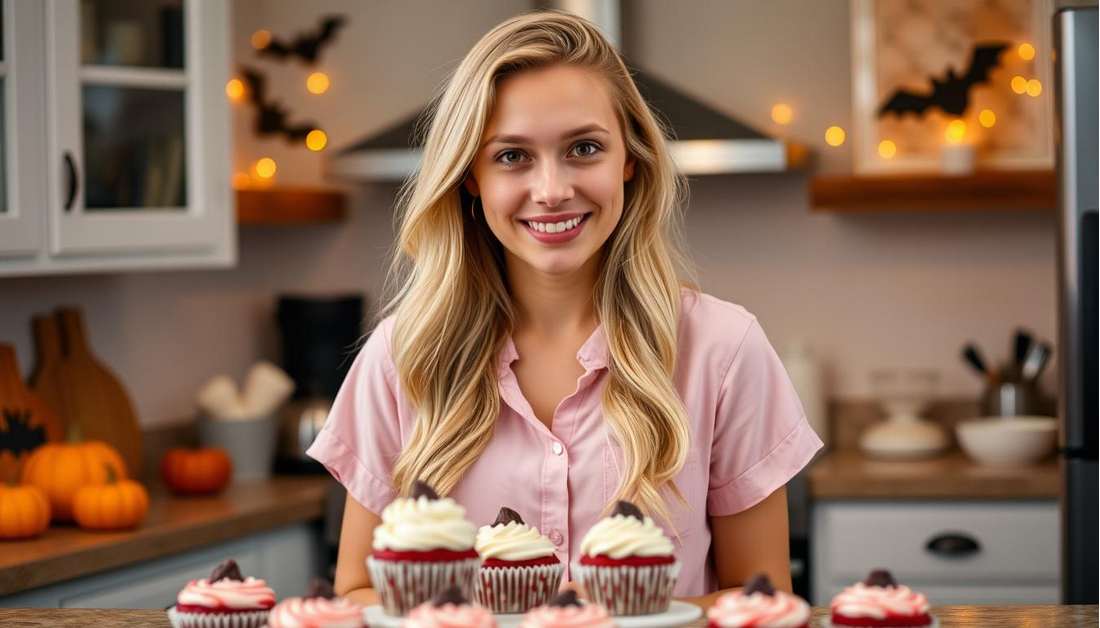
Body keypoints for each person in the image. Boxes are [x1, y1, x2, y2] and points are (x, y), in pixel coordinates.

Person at [306, 9, 822, 609]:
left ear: (629, 160)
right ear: (471, 176)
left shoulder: (724, 350)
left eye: (584, 148)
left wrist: (619, 617)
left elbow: (760, 598)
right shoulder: (401, 358)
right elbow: (357, 594)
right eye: (511, 156)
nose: (552, 190)